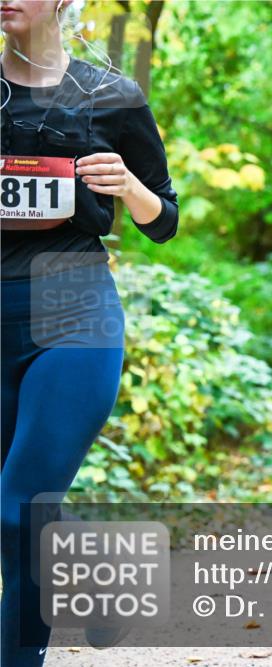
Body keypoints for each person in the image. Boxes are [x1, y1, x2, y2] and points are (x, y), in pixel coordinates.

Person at [1, 1, 179, 663]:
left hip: (73, 305)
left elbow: (164, 219)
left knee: (18, 505)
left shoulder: (111, 96)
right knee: (20, 524)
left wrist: (129, 186)